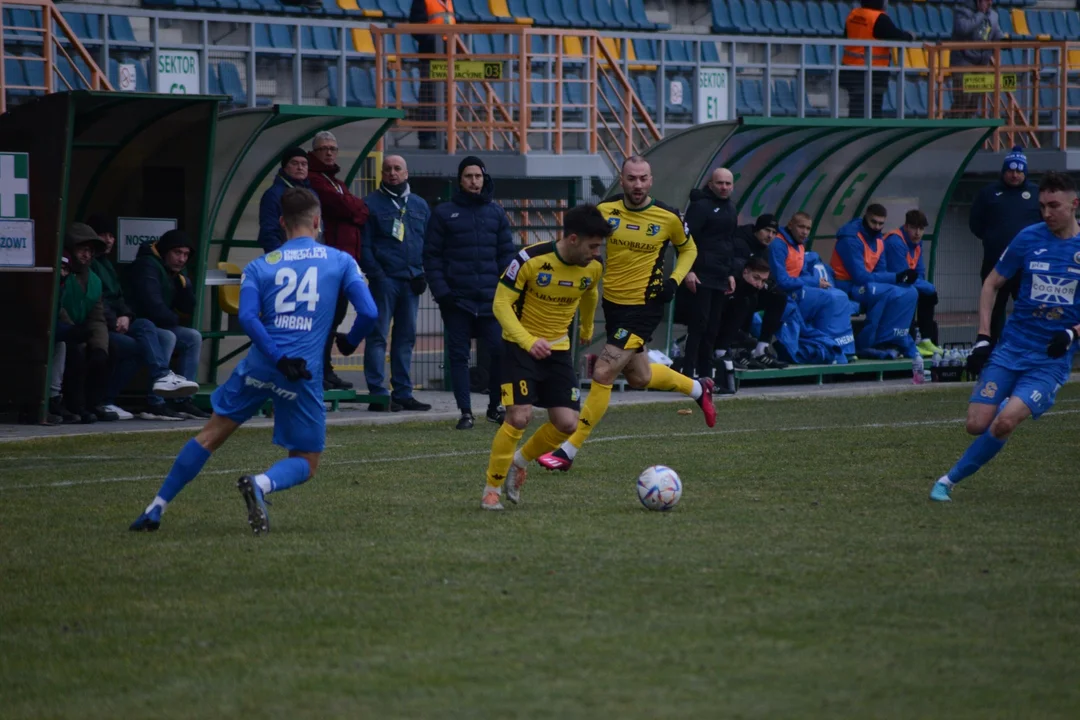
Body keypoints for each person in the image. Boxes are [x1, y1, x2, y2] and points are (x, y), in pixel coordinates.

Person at [129, 188, 379, 533]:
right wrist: (349, 343)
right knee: (306, 462)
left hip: (262, 364)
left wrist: (276, 357)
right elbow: (369, 311)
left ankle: (155, 507)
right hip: (302, 372)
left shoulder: (260, 266)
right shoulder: (340, 260)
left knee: (209, 435)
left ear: (281, 223)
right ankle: (260, 484)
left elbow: (248, 318)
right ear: (318, 221)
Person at [537, 156, 716, 472]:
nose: (637, 185)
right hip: (614, 305)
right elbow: (579, 243)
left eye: (643, 178)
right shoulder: (605, 212)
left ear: (651, 180)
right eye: (631, 178)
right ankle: (700, 389)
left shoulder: (669, 217)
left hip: (645, 307)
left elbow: (689, 249)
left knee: (603, 372)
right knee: (640, 376)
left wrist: (674, 280)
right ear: (622, 180)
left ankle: (568, 451)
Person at [931, 172, 1080, 502]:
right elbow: (991, 284)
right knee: (976, 424)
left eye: (1053, 206)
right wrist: (984, 337)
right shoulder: (1028, 238)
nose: (1046, 213)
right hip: (1011, 348)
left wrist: (1072, 332)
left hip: (1049, 360)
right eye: (1041, 206)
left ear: (1074, 205)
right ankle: (999, 404)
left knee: (1004, 423)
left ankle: (946, 481)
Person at [480, 205, 611, 510]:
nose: (595, 253)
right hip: (519, 346)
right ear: (574, 239)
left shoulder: (593, 266)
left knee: (567, 424)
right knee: (519, 416)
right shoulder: (530, 259)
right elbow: (500, 304)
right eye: (592, 246)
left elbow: (590, 293)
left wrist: (588, 327)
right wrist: (527, 340)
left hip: (559, 350)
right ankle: (491, 490)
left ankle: (519, 461)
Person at [424, 156, 515, 429]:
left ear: (484, 178)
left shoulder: (496, 212)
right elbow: (432, 257)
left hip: (490, 299)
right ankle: (465, 412)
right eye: (468, 176)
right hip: (457, 300)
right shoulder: (443, 213)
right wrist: (443, 292)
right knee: (459, 356)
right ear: (460, 180)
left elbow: (506, 255)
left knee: (499, 350)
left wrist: (504, 291)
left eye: (478, 176)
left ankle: (494, 406)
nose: (474, 181)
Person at [86, 214, 199, 420]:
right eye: (177, 253)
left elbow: (189, 307)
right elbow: (149, 305)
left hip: (131, 321)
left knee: (192, 337)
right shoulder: (146, 265)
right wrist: (123, 316)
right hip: (123, 323)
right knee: (159, 336)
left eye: (186, 254)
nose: (182, 259)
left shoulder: (106, 264)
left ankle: (182, 400)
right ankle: (155, 398)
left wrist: (185, 285)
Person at [359, 154, 432, 413]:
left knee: (406, 338)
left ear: (406, 173)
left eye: (397, 168)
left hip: (411, 281)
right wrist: (377, 274)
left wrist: (422, 272)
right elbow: (364, 245)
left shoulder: (420, 205)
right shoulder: (370, 204)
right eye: (388, 169)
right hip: (384, 281)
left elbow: (427, 243)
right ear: (381, 174)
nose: (392, 173)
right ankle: (379, 395)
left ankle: (403, 393)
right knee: (378, 336)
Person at [307, 130, 369, 391]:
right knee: (325, 318)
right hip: (327, 262)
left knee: (337, 316)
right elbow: (344, 207)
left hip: (346, 261)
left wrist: (353, 207)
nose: (329, 152)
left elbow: (361, 210)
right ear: (315, 152)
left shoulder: (337, 182)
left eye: (333, 148)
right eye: (324, 149)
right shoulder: (314, 180)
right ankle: (319, 370)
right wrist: (353, 207)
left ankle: (327, 369)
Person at [969, 146, 1042, 343]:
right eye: (1010, 170)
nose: (1014, 175)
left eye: (1019, 171)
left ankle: (1029, 347)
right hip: (996, 263)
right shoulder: (989, 193)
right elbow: (975, 223)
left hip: (1028, 265)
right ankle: (992, 350)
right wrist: (993, 239)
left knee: (1029, 308)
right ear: (1004, 171)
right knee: (994, 310)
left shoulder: (1036, 193)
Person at [832, 204, 919, 358]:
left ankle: (893, 340)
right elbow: (859, 276)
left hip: (867, 285)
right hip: (846, 286)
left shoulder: (878, 240)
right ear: (865, 217)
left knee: (910, 292)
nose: (876, 227)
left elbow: (881, 271)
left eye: (880, 224)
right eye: (873, 222)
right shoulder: (850, 238)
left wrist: (899, 279)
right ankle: (870, 343)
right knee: (884, 291)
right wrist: (896, 277)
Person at [769, 212, 856, 358]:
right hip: (783, 295)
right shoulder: (779, 244)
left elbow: (801, 273)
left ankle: (838, 347)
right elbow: (782, 281)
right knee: (833, 298)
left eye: (808, 228)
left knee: (837, 296)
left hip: (797, 292)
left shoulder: (799, 245)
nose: (804, 232)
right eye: (801, 227)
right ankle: (829, 347)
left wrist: (814, 283)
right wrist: (814, 282)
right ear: (790, 225)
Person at [680, 167, 737, 380]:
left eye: (728, 184)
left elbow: (729, 241)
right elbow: (685, 240)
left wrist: (731, 272)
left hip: (720, 275)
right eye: (720, 183)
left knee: (713, 327)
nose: (724, 187)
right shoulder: (700, 207)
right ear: (711, 184)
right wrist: (689, 271)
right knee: (699, 325)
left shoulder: (731, 208)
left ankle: (706, 375)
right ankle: (688, 373)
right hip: (701, 274)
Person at [57, 224, 114, 423]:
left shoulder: (95, 280)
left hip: (82, 331)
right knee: (75, 351)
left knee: (101, 355)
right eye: (83, 249)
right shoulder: (60, 273)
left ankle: (94, 403)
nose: (87, 255)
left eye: (90, 250)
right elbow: (57, 306)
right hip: (63, 330)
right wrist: (73, 330)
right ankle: (72, 406)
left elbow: (97, 318)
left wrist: (100, 346)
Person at [719, 213, 789, 370]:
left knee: (778, 296)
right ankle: (729, 350)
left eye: (774, 233)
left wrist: (767, 284)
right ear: (757, 229)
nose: (770, 236)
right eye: (767, 230)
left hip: (748, 291)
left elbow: (766, 274)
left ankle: (761, 349)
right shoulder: (740, 241)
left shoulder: (764, 249)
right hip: (729, 291)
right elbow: (736, 268)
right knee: (748, 295)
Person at [883, 209, 944, 357]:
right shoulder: (895, 242)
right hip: (890, 283)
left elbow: (920, 271)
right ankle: (908, 341)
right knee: (913, 293)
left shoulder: (917, 243)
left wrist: (927, 287)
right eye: (914, 228)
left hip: (907, 283)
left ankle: (926, 339)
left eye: (921, 229)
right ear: (906, 226)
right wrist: (926, 287)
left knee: (927, 294)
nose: (918, 233)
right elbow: (903, 275)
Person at [841, 0, 914, 119]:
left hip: (850, 70)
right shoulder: (879, 18)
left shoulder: (854, 14)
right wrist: (910, 36)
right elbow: (897, 36)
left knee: (856, 107)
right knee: (872, 110)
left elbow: (846, 35)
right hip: (873, 73)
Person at [410, 0, 456, 149]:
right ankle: (426, 136)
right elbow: (416, 28)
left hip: (447, 55)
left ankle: (441, 135)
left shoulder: (448, 1)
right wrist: (434, 41)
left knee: (444, 97)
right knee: (429, 97)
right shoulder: (422, 1)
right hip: (430, 55)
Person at [951, 0, 1002, 118]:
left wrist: (1004, 41)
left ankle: (969, 125)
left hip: (981, 62)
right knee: (963, 97)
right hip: (963, 60)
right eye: (986, 0)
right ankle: (954, 125)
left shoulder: (993, 15)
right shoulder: (961, 11)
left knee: (974, 99)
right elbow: (963, 29)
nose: (989, 3)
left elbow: (997, 33)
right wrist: (980, 15)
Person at [257, 147, 313, 254]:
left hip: (310, 255)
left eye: (304, 164)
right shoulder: (273, 195)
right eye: (294, 163)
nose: (300, 167)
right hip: (286, 257)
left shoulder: (311, 193)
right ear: (285, 167)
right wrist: (280, 257)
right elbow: (269, 232)